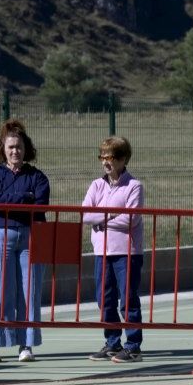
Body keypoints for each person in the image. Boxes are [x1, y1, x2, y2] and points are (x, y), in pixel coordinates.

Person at [0, 120, 50, 363]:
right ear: (3, 148)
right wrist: (24, 198)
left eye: (19, 147)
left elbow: (40, 205)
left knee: (29, 291)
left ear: (25, 148)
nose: (15, 152)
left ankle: (26, 345)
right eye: (10, 147)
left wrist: (9, 202)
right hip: (0, 236)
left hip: (30, 236)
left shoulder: (38, 177)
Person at [81, 137, 145, 364]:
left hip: (127, 252)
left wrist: (102, 219)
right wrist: (112, 214)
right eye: (103, 157)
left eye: (112, 157)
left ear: (124, 159)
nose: (106, 162)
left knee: (128, 299)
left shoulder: (134, 186)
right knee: (104, 299)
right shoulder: (96, 185)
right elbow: (86, 214)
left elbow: (131, 219)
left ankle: (133, 346)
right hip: (102, 252)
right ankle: (112, 341)